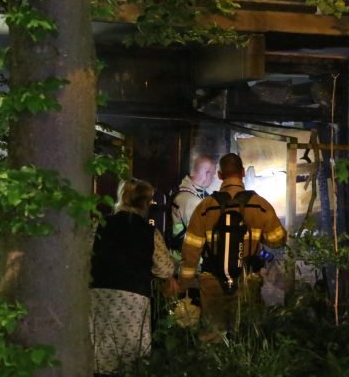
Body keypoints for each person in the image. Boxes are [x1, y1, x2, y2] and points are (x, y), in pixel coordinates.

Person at [177, 153, 287, 343]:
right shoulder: (259, 205)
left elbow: (191, 250)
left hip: (212, 281)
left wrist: (184, 284)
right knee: (246, 334)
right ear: (243, 172)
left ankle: (214, 358)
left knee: (213, 335)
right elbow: (277, 240)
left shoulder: (205, 207)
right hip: (247, 280)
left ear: (220, 175)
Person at [90, 178, 177, 376]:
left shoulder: (100, 224)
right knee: (131, 355)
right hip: (133, 297)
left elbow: (85, 254)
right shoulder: (149, 232)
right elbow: (165, 268)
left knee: (100, 351)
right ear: (145, 203)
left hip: (99, 294)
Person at [171, 154, 217, 240]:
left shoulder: (189, 192)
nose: (213, 178)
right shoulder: (191, 200)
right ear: (207, 174)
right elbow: (201, 234)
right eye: (213, 174)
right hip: (184, 248)